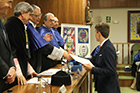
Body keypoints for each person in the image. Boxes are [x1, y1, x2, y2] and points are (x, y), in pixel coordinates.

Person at [27, 5, 71, 72]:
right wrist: (63, 54)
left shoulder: (51, 30)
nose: (39, 18)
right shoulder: (31, 27)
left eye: (40, 15)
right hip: (39, 62)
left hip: (50, 58)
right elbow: (43, 47)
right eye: (36, 16)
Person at [5, 2, 38, 86]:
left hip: (21, 71)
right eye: (30, 15)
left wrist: (30, 70)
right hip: (14, 74)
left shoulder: (20, 26)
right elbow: (13, 52)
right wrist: (19, 73)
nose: (31, 18)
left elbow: (22, 53)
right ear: (22, 13)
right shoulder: (12, 26)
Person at [83, 22, 120, 93]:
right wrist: (76, 57)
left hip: (108, 89)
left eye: (95, 33)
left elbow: (111, 71)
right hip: (103, 86)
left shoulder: (107, 48)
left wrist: (92, 69)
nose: (95, 35)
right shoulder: (102, 47)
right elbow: (93, 60)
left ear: (99, 34)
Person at [0, 0, 16, 92]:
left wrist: (12, 67)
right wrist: (7, 72)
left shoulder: (1, 22)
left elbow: (8, 49)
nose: (10, 6)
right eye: (9, 2)